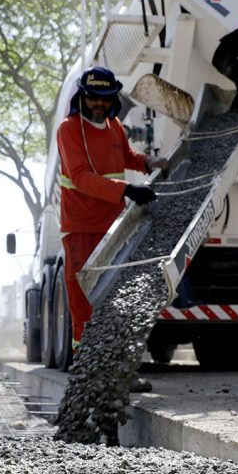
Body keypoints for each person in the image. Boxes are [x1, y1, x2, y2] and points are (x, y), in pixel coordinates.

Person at [57, 66, 168, 354]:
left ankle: (112, 356)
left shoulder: (114, 127)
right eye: (94, 97)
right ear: (83, 96)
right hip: (81, 227)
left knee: (112, 294)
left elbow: (125, 156)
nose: (99, 104)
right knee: (82, 293)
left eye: (105, 98)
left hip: (113, 226)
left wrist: (148, 163)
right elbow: (80, 178)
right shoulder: (69, 130)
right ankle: (85, 360)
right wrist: (128, 191)